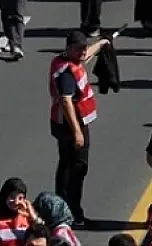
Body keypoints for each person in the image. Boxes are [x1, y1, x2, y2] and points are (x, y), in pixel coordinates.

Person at [50, 31, 101, 226]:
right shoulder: (66, 73)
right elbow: (66, 101)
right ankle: (71, 211)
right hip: (70, 125)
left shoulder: (66, 60)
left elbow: (87, 56)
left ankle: (63, 207)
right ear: (69, 48)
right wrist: (77, 132)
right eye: (79, 48)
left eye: (84, 47)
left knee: (66, 164)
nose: (83, 52)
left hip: (62, 123)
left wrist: (103, 42)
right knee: (76, 168)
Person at [0, 178, 34, 245]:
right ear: (4, 197)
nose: (16, 202)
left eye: (20, 198)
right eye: (12, 197)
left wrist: (33, 218)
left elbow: (43, 236)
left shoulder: (28, 218)